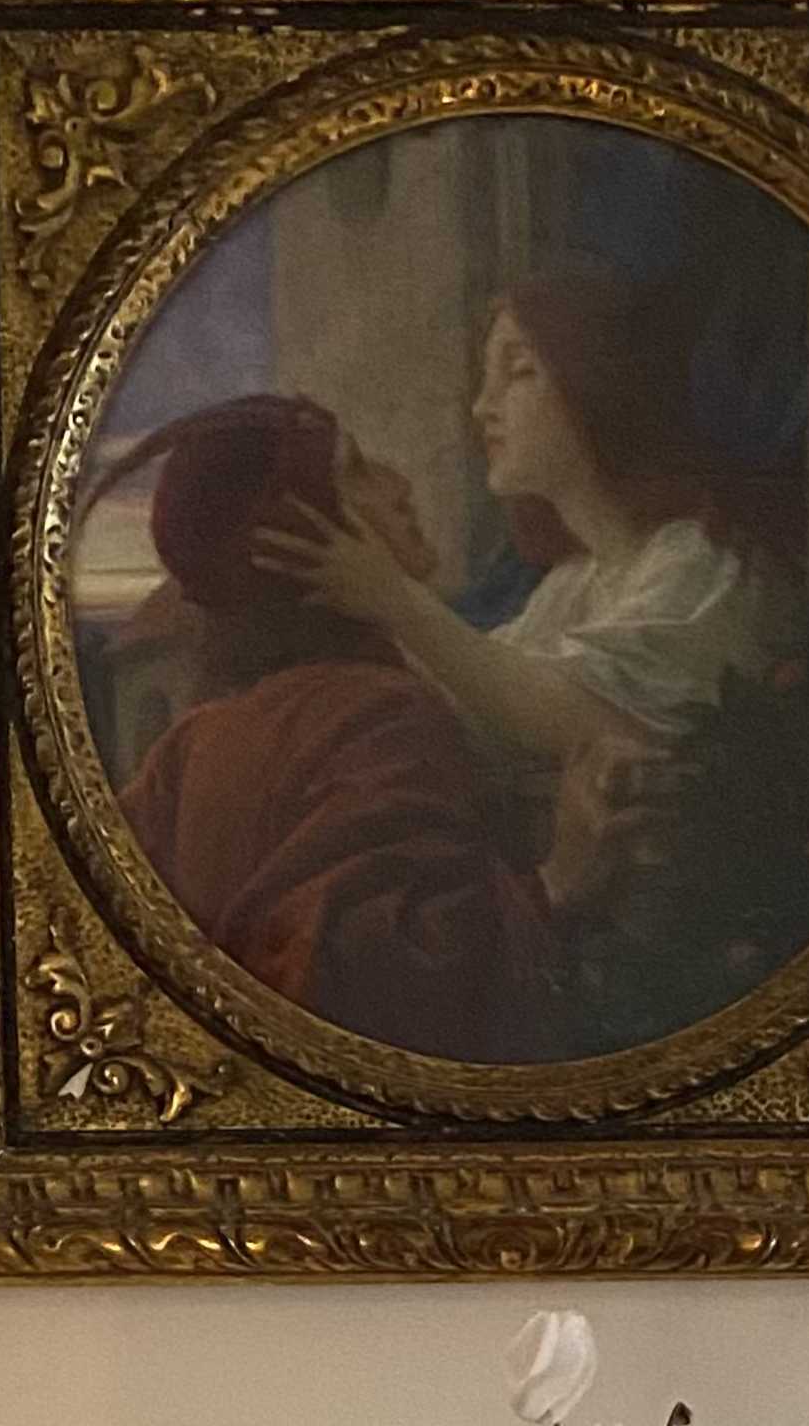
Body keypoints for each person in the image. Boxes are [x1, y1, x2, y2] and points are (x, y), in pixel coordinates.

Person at [244, 267, 791, 893]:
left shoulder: (700, 567)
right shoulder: (574, 585)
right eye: (485, 378)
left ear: (599, 389)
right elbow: (473, 701)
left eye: (520, 372)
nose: (483, 407)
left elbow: (568, 718)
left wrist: (395, 600)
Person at [86, 392, 558, 1062]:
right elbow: (390, 980)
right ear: (303, 533)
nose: (398, 486)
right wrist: (562, 882)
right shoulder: (381, 717)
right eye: (359, 472)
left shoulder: (191, 743)